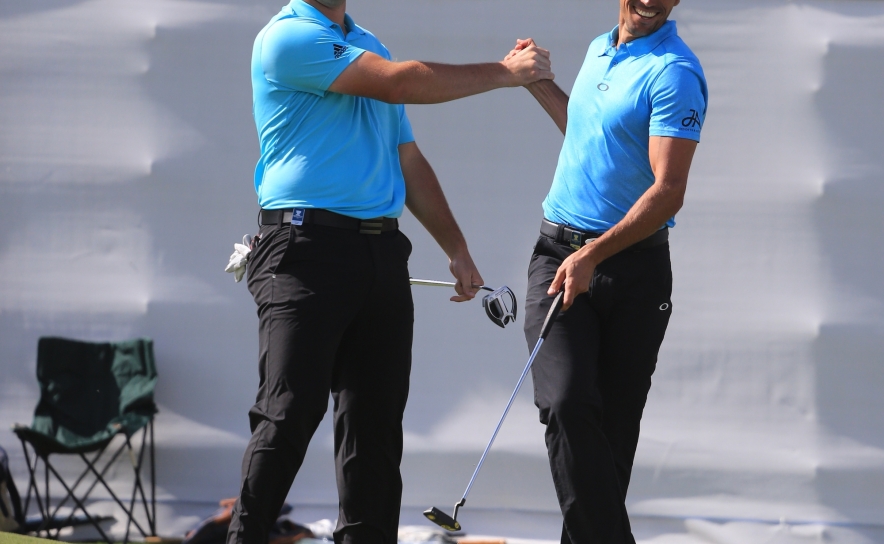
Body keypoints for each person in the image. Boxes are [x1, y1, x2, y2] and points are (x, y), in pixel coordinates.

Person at [226, 1, 554, 544]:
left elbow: (407, 157)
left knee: (374, 425)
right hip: (302, 246)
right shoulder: (287, 38)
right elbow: (400, 83)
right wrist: (504, 73)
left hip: (380, 252)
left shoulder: (368, 43)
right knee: (289, 411)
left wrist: (456, 247)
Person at [511, 1, 708, 542]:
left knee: (611, 441)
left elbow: (669, 193)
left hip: (633, 273)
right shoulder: (601, 49)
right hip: (558, 258)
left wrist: (594, 254)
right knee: (567, 402)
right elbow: (586, 134)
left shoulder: (676, 72)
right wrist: (539, 84)